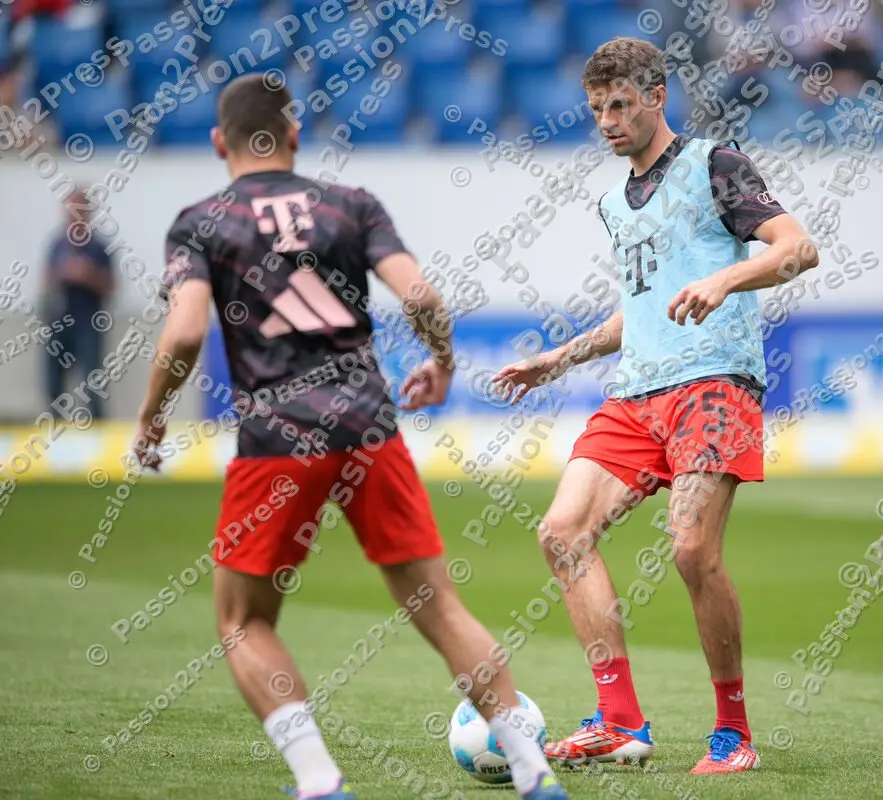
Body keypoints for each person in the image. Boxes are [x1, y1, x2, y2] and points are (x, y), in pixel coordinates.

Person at [130, 74, 567, 800]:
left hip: (277, 437)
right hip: (369, 424)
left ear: (218, 142)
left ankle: (320, 782)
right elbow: (422, 296)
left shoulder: (200, 220)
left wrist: (151, 413)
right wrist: (443, 364)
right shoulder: (351, 203)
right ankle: (533, 770)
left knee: (242, 622)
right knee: (440, 605)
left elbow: (181, 332)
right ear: (294, 135)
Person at [493, 37, 819, 775]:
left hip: (714, 386)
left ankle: (733, 735)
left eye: (620, 105)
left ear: (656, 97)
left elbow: (799, 248)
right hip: (637, 395)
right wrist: (559, 358)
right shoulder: (614, 202)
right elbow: (637, 312)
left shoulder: (715, 165)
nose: (607, 121)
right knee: (562, 531)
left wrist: (725, 282)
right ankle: (620, 721)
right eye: (596, 109)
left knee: (692, 549)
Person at [43, 190, 113, 417]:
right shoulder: (57, 244)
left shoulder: (99, 247)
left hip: (88, 324)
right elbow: (46, 281)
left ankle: (98, 434)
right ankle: (52, 432)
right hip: (59, 322)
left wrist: (87, 274)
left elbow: (112, 287)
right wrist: (62, 274)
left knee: (92, 383)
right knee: (53, 384)